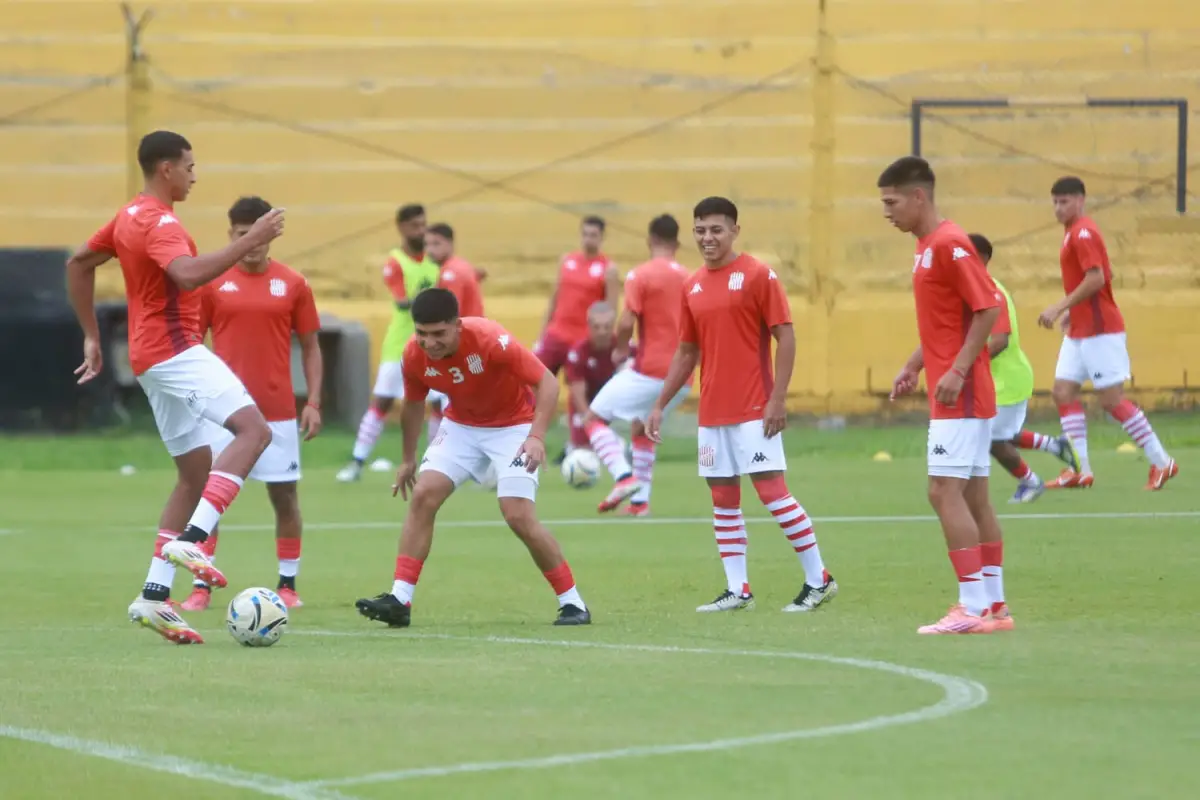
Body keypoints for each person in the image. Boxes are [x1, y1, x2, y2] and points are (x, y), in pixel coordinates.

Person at [65, 130, 283, 644]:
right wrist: (249, 240)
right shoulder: (160, 222)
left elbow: (78, 263)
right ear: (166, 168)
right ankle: (192, 539)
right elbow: (185, 275)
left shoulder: (128, 216)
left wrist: (92, 337)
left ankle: (153, 597)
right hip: (174, 348)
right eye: (189, 165)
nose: (194, 174)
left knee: (193, 474)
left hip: (148, 358)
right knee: (254, 431)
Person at [355, 288, 591, 627]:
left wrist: (536, 436)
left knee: (517, 514)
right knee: (423, 495)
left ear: (458, 325)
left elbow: (548, 383)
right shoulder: (413, 355)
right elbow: (413, 404)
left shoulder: (491, 340)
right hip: (462, 425)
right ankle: (400, 600)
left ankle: (573, 603)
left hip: (513, 426)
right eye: (422, 333)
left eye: (439, 334)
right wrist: (408, 458)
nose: (429, 342)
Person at [646, 197, 836, 614]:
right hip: (712, 414)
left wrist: (778, 398)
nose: (707, 238)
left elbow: (785, 336)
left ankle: (818, 578)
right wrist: (660, 403)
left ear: (734, 230)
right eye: (699, 230)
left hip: (754, 409)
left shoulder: (757, 275)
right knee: (723, 500)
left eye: (716, 229)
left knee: (773, 493)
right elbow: (686, 351)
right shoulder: (691, 285)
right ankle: (738, 589)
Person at [879, 156, 1008, 635]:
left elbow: (987, 309)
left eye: (891, 202)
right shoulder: (927, 247)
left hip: (961, 394)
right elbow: (945, 320)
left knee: (942, 491)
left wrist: (955, 369)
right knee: (973, 496)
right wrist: (915, 365)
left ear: (919, 197)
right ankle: (994, 606)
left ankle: (971, 607)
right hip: (958, 391)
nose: (886, 212)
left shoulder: (951, 245)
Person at [181, 196, 323, 611]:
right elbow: (190, 343)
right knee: (211, 498)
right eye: (243, 235)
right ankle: (201, 587)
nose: (252, 242)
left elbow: (311, 346)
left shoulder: (293, 284)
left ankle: (288, 584)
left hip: (277, 412)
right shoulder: (212, 283)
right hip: (223, 413)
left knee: (284, 498)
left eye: (257, 234)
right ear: (231, 235)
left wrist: (313, 401)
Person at [1037, 176, 1177, 490]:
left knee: (1112, 400)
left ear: (1081, 200)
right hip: (1081, 330)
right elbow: (1106, 272)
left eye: (1065, 201)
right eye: (1056, 202)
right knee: (1062, 392)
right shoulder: (1072, 233)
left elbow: (1098, 277)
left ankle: (1162, 462)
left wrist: (1060, 306)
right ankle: (1079, 469)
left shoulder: (1083, 231)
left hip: (1100, 330)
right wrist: (1075, 311)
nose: (1059, 208)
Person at [584, 214, 692, 517]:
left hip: (650, 369)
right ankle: (639, 503)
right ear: (677, 244)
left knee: (593, 418)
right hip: (682, 376)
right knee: (643, 430)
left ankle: (623, 476)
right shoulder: (690, 277)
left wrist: (620, 350)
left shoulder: (640, 275)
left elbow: (627, 320)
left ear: (649, 241)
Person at [969, 233, 1080, 504]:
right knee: (1001, 433)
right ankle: (1055, 445)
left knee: (993, 440)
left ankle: (1030, 481)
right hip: (996, 379)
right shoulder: (975, 290)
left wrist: (964, 363)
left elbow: (999, 341)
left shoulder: (990, 291)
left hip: (1007, 380)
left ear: (981, 259)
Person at [336, 204, 441, 482]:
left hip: (432, 345)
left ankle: (434, 462)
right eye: (416, 225)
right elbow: (402, 301)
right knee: (382, 402)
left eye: (423, 224)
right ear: (402, 228)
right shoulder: (395, 262)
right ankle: (356, 462)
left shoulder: (435, 261)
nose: (421, 230)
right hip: (400, 345)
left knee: (440, 403)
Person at [535, 216, 620, 465]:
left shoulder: (609, 269)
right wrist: (542, 335)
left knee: (578, 395)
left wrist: (603, 344)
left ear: (602, 237)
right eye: (585, 234)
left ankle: (577, 448)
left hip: (581, 341)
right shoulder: (567, 260)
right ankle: (520, 436)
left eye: (594, 235)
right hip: (555, 335)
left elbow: (610, 309)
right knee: (531, 383)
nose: (588, 239)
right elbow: (555, 298)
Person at [424, 221, 486, 442]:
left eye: (436, 243)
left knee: (445, 405)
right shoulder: (460, 266)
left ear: (450, 243)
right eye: (427, 244)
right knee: (444, 404)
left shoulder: (451, 273)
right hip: (472, 344)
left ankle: (438, 455)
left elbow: (449, 314)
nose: (430, 249)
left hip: (460, 347)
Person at [564, 301, 624, 455]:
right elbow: (578, 395)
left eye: (607, 326)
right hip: (587, 405)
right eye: (597, 326)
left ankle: (622, 445)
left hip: (615, 406)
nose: (602, 331)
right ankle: (575, 447)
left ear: (613, 325)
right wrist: (590, 421)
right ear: (589, 325)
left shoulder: (625, 348)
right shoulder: (578, 354)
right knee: (583, 453)